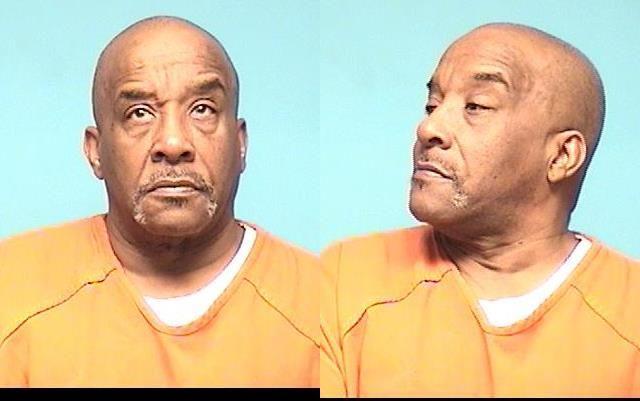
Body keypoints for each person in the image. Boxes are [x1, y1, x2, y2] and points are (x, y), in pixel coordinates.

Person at [320, 22, 640, 397]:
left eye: (476, 106)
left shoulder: (629, 315)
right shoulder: (342, 281)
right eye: (432, 105)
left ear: (561, 156)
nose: (429, 128)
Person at [0, 16, 319, 387]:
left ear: (240, 143)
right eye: (139, 113)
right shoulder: (11, 290)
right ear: (96, 151)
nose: (173, 143)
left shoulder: (321, 309)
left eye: (203, 109)